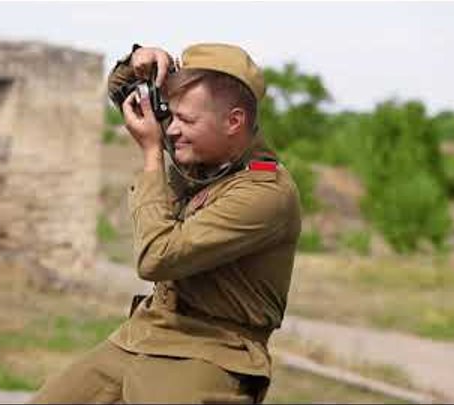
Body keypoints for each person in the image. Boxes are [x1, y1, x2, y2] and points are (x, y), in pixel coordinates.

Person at [30, 43, 301, 404]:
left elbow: (157, 257)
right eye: (170, 116)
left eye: (186, 120)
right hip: (145, 332)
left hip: (212, 348)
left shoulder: (265, 193)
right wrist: (137, 64)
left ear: (233, 122)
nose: (171, 131)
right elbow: (125, 94)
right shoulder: (204, 154)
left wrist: (151, 161)